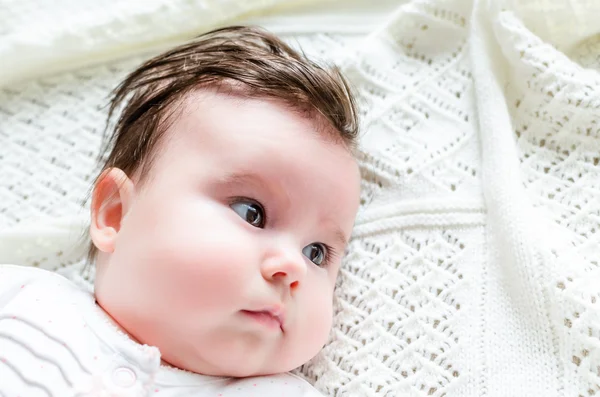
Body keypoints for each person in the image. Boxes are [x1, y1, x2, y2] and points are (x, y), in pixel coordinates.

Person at [0, 26, 361, 396]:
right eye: (252, 213)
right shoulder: (23, 296)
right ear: (116, 215)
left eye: (317, 253)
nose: (293, 266)